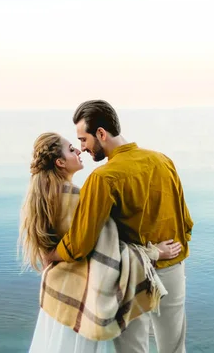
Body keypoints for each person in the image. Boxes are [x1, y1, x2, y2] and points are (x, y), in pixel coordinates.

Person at [45, 100, 194, 353]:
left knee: (132, 350)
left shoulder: (103, 178)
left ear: (101, 133)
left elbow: (80, 243)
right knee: (174, 348)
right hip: (173, 267)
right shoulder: (163, 160)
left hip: (132, 277)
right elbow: (185, 221)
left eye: (83, 139)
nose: (83, 148)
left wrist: (52, 254)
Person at [20, 132, 181, 353]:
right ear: (59, 162)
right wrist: (154, 254)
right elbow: (108, 252)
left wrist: (54, 255)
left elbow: (54, 250)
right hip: (84, 296)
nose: (79, 150)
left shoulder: (42, 198)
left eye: (80, 142)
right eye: (71, 149)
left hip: (57, 293)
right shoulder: (79, 199)